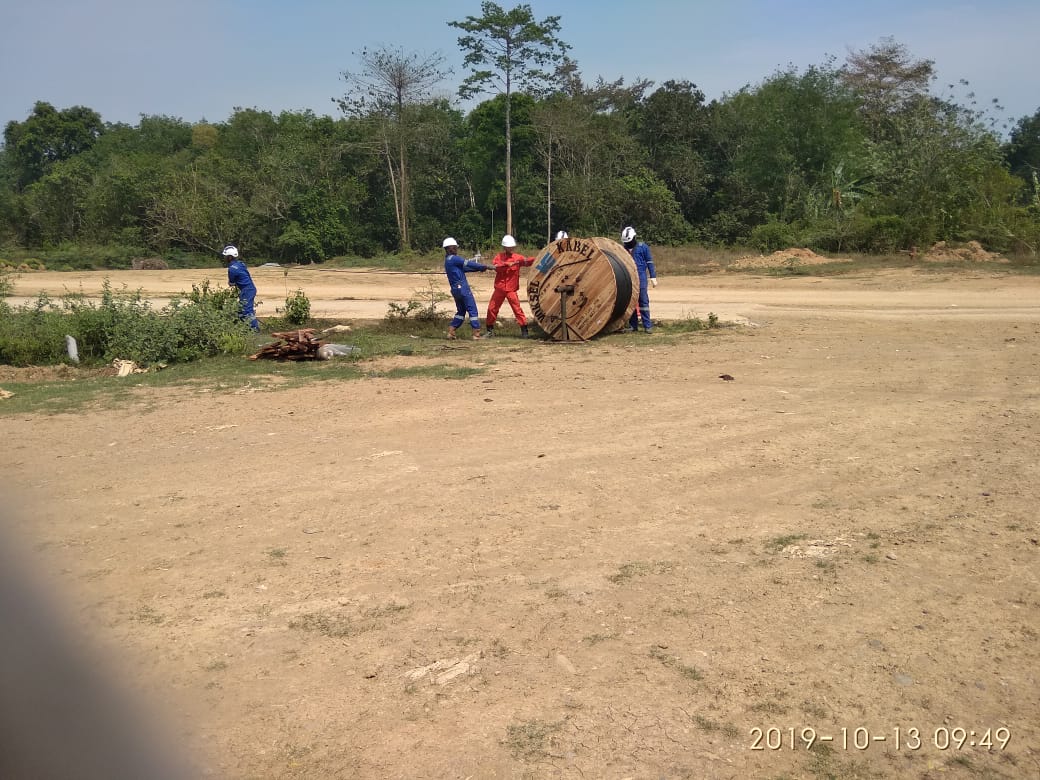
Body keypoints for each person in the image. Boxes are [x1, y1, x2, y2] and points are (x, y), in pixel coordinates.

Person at [485, 234, 535, 338]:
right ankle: (489, 330)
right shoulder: (499, 257)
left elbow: (527, 261)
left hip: (511, 290)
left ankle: (524, 331)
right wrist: (507, 264)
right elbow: (497, 266)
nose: (511, 248)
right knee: (492, 308)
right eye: (509, 247)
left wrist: (538, 258)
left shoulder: (518, 258)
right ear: (505, 247)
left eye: (512, 247)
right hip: (499, 288)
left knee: (517, 310)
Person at [442, 237, 488, 339]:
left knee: (461, 311)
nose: (456, 249)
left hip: (455, 289)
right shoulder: (454, 258)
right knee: (472, 310)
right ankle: (476, 333)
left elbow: (465, 268)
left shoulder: (448, 261)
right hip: (462, 288)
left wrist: (479, 269)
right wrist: (481, 266)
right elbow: (468, 263)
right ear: (450, 248)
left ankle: (451, 331)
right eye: (454, 247)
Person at [621, 226, 657, 333]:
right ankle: (633, 326)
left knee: (643, 302)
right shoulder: (622, 250)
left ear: (634, 238)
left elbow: (649, 262)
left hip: (641, 277)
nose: (628, 243)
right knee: (631, 303)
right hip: (629, 279)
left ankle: (647, 325)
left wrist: (653, 276)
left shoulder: (643, 247)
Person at [221, 245, 260, 331]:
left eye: (225, 256)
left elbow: (231, 283)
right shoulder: (241, 264)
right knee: (240, 310)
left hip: (247, 290)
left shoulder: (231, 269)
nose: (224, 258)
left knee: (246, 310)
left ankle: (255, 330)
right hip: (250, 289)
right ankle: (244, 328)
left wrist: (232, 282)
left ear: (230, 257)